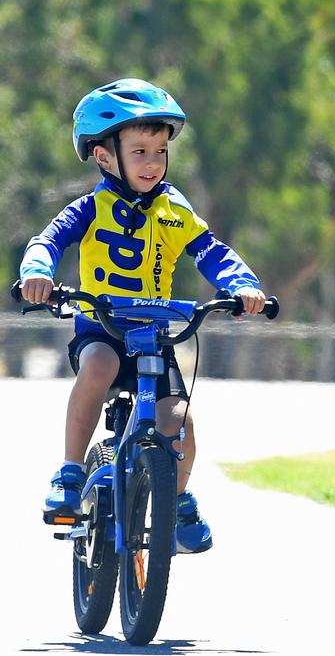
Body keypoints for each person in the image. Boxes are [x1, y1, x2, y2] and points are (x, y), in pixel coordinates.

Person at [20, 78, 267, 553]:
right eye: (139, 151)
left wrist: (243, 286)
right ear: (104, 156)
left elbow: (210, 252)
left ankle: (175, 502)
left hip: (154, 335)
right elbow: (47, 241)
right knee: (100, 366)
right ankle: (71, 471)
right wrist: (37, 273)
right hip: (103, 328)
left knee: (181, 420)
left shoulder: (175, 210)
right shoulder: (91, 207)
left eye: (159, 151)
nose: (153, 162)